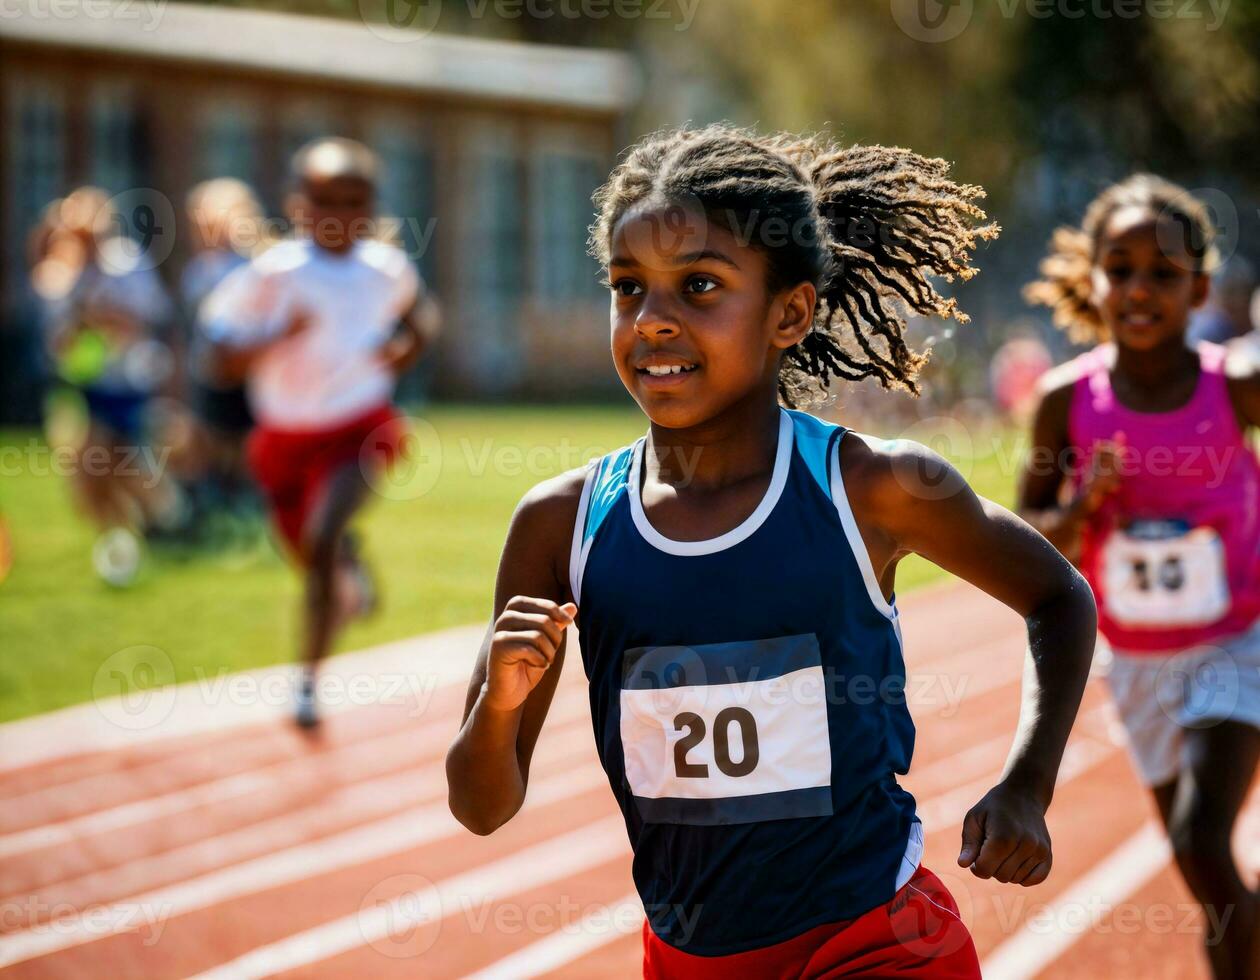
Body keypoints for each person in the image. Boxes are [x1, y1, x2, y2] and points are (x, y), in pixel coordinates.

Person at [447, 125, 1097, 977]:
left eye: (699, 286)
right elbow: (482, 807)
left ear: (789, 312)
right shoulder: (560, 522)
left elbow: (1059, 598)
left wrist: (1028, 782)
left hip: (875, 941)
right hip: (686, 959)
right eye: (628, 287)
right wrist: (499, 703)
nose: (652, 321)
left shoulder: (872, 487)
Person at [1021, 174, 1260, 980]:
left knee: (1200, 838)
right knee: (1210, 880)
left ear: (1197, 286)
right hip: (1136, 662)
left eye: (1162, 274)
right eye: (1118, 270)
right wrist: (1083, 503)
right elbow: (1029, 539)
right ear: (1093, 281)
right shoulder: (1065, 402)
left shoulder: (1234, 385)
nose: (1138, 289)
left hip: (1239, 641)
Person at [203, 137, 439, 728]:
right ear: (298, 205)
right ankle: (348, 572)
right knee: (311, 552)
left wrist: (404, 348)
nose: (340, 215)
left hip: (359, 427)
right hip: (283, 439)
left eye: (354, 201)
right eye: (325, 200)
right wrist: (280, 336)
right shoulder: (273, 274)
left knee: (324, 532)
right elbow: (218, 359)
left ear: (371, 208)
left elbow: (422, 317)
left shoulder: (385, 268)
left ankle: (306, 684)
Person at [31, 187, 180, 585]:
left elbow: (149, 320)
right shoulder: (59, 274)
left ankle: (161, 516)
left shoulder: (128, 264)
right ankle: (122, 536)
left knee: (119, 464)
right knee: (87, 473)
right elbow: (57, 341)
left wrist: (104, 315)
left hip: (130, 381)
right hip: (83, 383)